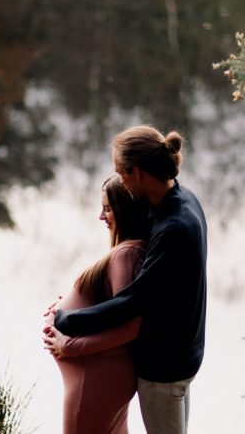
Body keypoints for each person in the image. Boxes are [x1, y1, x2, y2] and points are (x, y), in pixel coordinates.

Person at [51, 125, 207, 434]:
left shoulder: (173, 226)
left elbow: (132, 302)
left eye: (120, 173)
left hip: (163, 369)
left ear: (136, 172)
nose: (119, 181)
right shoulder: (181, 201)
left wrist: (68, 321)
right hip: (181, 356)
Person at [42, 174, 152, 434]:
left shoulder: (127, 254)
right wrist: (71, 303)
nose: (101, 217)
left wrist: (72, 346)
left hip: (93, 382)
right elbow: (112, 306)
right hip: (99, 379)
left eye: (107, 208)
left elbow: (129, 326)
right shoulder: (130, 251)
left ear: (125, 210)